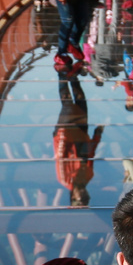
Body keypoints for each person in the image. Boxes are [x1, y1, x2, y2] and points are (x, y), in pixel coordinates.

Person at [54, 71, 103, 207]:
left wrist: (63, 133)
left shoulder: (64, 179)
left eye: (80, 200)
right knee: (81, 101)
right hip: (81, 135)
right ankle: (73, 76)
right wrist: (97, 135)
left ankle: (62, 74)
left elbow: (60, 156)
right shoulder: (88, 177)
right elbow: (90, 154)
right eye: (86, 199)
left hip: (67, 135)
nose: (83, 196)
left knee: (67, 103)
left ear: (73, 197)